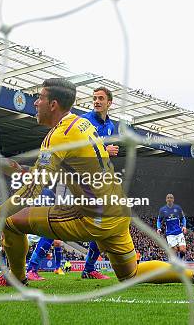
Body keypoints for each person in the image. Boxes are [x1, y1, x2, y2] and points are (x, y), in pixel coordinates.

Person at [0, 78, 194, 287]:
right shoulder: (82, 124)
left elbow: (31, 191)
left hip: (92, 215)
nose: (35, 102)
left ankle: (16, 278)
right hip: (117, 211)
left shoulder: (59, 136)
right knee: (130, 273)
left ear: (53, 104)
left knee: (9, 222)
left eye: (39, 98)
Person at [80, 86, 118, 280]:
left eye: (101, 98)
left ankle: (88, 269)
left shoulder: (111, 126)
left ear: (109, 103)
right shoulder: (84, 120)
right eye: (94, 98)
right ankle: (33, 268)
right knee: (58, 218)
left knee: (103, 222)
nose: (96, 101)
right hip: (78, 177)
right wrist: (105, 149)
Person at [157, 193, 187, 260]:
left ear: (173, 199)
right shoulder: (162, 210)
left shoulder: (178, 208)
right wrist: (158, 228)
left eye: (171, 198)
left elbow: (183, 218)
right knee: (174, 251)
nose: (169, 199)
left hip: (179, 232)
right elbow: (159, 220)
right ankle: (176, 263)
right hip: (170, 234)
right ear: (166, 199)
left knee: (183, 250)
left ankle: (180, 260)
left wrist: (184, 226)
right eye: (168, 198)